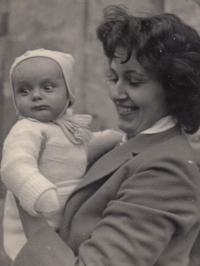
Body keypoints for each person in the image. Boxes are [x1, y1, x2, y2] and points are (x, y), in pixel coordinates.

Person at [11, 5, 200, 266]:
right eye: (113, 77)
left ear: (173, 89)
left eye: (134, 81)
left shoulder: (167, 170)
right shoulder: (133, 144)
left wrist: (25, 200)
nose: (115, 93)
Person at [0, 48, 123, 261]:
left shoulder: (65, 129)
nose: (36, 95)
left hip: (63, 219)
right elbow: (15, 164)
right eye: (24, 91)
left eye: (47, 87)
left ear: (69, 93)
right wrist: (35, 190)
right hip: (32, 221)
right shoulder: (27, 129)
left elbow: (84, 147)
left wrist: (111, 138)